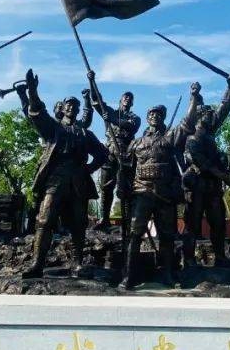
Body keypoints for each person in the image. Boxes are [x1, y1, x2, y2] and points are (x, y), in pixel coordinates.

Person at [21, 69, 108, 278]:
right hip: (55, 178)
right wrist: (32, 91)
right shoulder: (53, 128)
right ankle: (37, 264)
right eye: (68, 104)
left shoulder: (85, 133)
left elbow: (102, 154)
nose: (71, 107)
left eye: (75, 105)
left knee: (78, 223)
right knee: (45, 220)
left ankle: (77, 263)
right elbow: (37, 112)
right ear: (63, 108)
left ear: (77, 111)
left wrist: (88, 169)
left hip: (78, 180)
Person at [120, 82, 202, 288]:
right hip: (141, 193)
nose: (154, 116)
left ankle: (168, 274)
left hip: (164, 194)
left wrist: (193, 98)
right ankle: (129, 276)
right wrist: (121, 188)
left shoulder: (169, 138)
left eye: (158, 114)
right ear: (147, 118)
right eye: (151, 114)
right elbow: (126, 169)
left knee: (167, 236)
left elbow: (187, 122)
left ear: (163, 118)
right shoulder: (136, 143)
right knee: (134, 235)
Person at [182, 79, 230, 265]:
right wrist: (223, 175)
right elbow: (201, 162)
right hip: (196, 186)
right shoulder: (190, 135)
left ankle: (220, 256)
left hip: (212, 186)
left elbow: (224, 108)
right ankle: (189, 260)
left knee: (218, 222)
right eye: (208, 113)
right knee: (193, 224)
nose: (212, 115)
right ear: (199, 116)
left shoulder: (209, 134)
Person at [88, 73, 141, 234]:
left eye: (130, 98)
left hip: (125, 154)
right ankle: (104, 219)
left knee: (125, 189)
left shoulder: (134, 117)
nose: (127, 99)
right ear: (120, 100)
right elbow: (96, 101)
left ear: (132, 103)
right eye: (125, 97)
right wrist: (91, 81)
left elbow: (131, 126)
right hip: (109, 152)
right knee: (106, 187)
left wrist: (112, 119)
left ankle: (127, 222)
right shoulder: (110, 111)